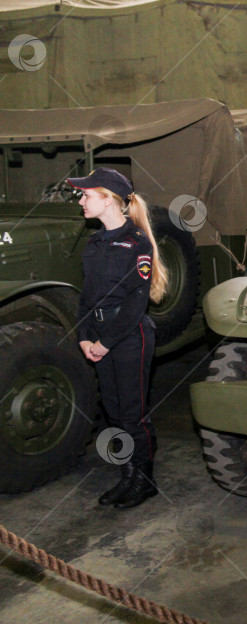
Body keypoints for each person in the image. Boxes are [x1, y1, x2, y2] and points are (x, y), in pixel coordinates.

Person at [68, 167, 168, 509]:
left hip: (129, 338)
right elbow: (86, 297)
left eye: (86, 195)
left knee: (132, 414)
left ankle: (145, 480)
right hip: (99, 337)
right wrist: (84, 336)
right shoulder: (94, 243)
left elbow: (135, 302)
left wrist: (105, 342)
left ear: (109, 200)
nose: (81, 201)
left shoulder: (136, 243)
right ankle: (127, 476)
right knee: (112, 412)